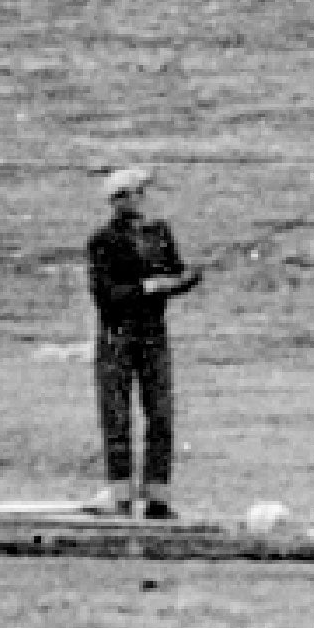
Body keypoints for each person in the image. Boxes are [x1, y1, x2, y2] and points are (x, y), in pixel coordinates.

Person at [84, 166, 198, 518]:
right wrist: (149, 287)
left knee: (160, 415)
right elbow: (105, 295)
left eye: (140, 193)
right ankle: (120, 497)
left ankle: (157, 499)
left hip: (153, 336)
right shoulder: (101, 241)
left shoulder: (160, 233)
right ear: (117, 201)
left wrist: (184, 280)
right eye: (134, 193)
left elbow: (177, 273)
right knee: (117, 417)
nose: (140, 199)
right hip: (115, 336)